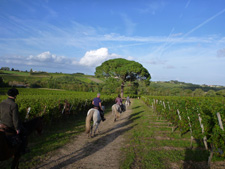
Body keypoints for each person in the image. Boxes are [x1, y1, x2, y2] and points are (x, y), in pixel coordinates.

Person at [0, 88, 29, 154]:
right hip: (10, 125)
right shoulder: (14, 105)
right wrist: (17, 128)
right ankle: (22, 149)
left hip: (1, 124)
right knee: (24, 133)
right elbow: (15, 118)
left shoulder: (2, 102)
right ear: (15, 96)